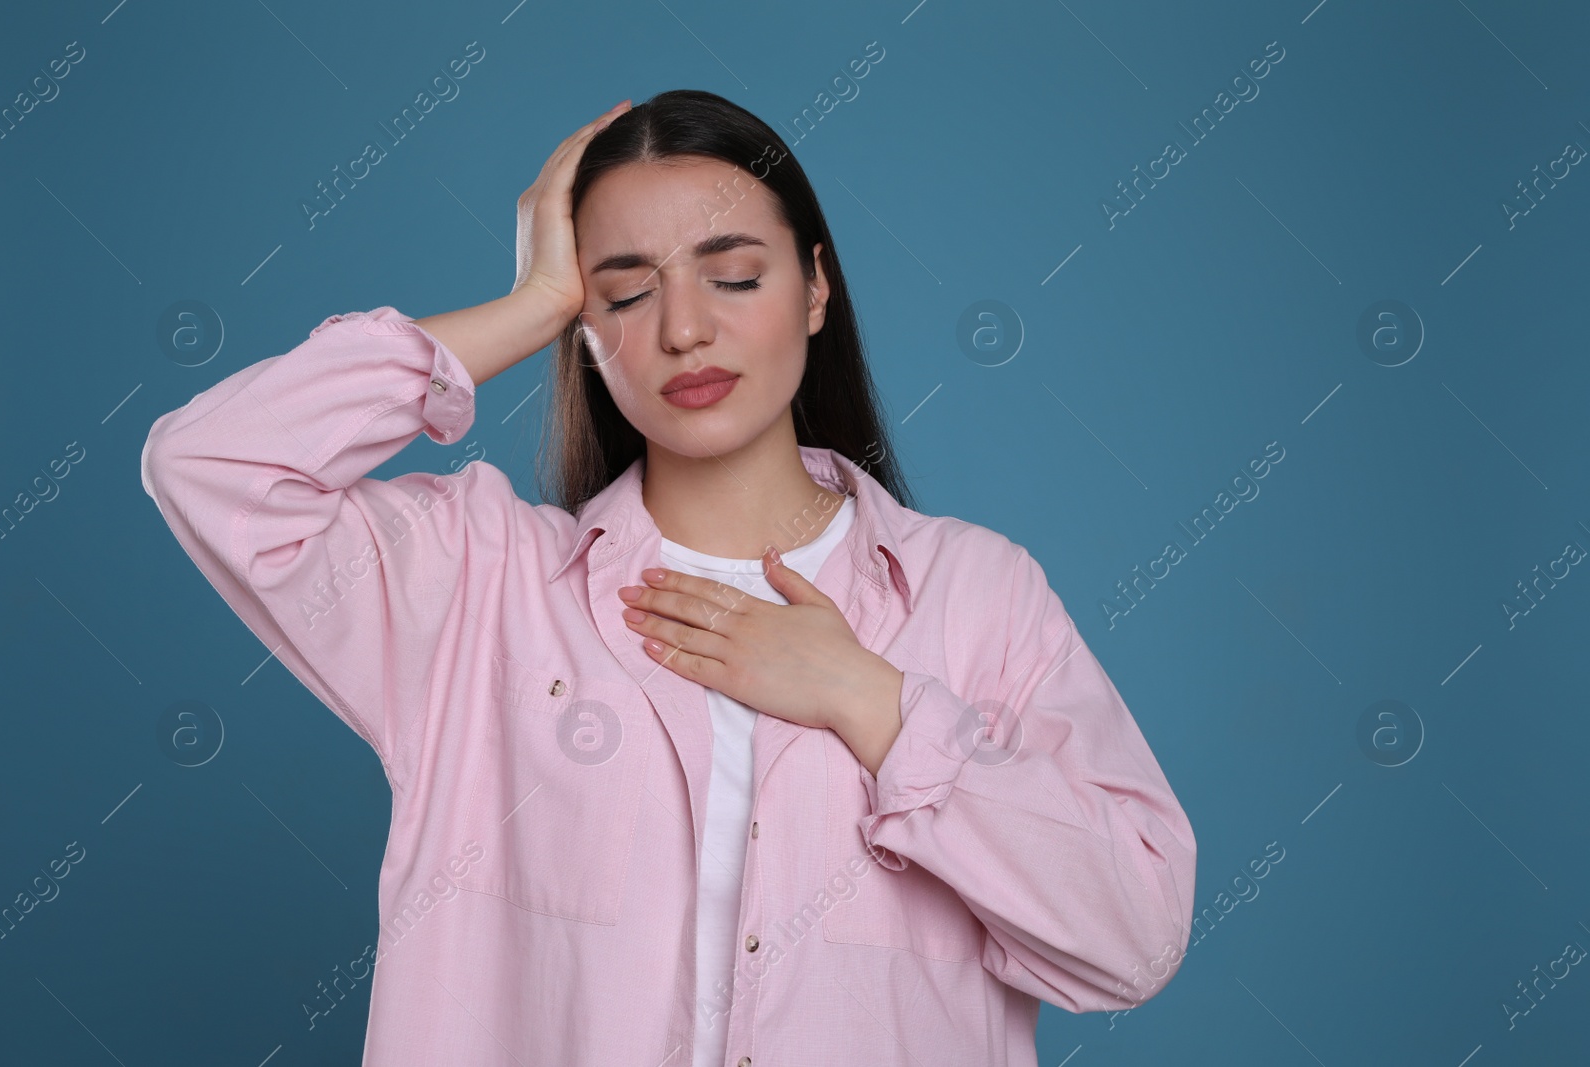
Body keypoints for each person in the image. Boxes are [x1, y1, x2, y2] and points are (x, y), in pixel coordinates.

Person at [141, 89, 1196, 1067]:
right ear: (585, 332)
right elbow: (214, 464)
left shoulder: (977, 595)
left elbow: (1132, 940)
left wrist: (867, 699)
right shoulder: (480, 590)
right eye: (626, 291)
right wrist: (531, 302)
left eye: (733, 274)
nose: (684, 326)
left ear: (817, 286)